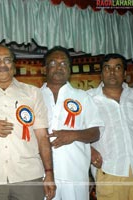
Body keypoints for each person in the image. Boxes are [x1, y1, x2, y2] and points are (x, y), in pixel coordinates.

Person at [0, 44, 56, 200]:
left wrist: (49, 173)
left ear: (14, 66)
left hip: (28, 176)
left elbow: (42, 137)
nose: (2, 65)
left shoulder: (32, 93)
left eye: (7, 60)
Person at [40, 46, 103, 200]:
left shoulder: (83, 97)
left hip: (75, 174)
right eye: (53, 63)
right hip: (41, 176)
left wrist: (74, 135)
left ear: (70, 69)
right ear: (44, 69)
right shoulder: (33, 96)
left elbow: (95, 132)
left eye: (64, 64)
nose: (59, 68)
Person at [87, 53, 133, 200]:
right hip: (110, 170)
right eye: (107, 68)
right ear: (101, 73)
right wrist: (89, 150)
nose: (112, 72)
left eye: (117, 68)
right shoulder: (88, 99)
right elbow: (74, 130)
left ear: (125, 73)